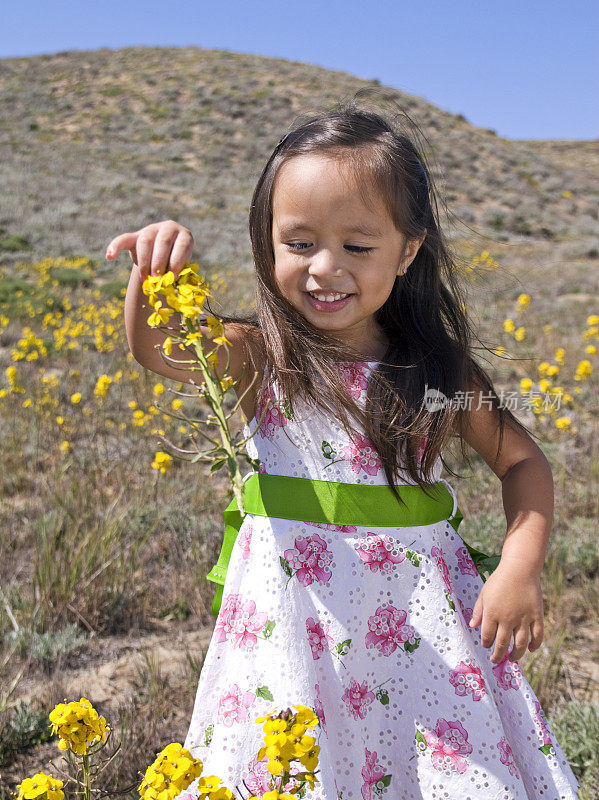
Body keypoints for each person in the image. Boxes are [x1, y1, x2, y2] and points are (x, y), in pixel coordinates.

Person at [106, 96, 580, 799]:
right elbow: (163, 352)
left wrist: (519, 567)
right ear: (266, 240)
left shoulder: (439, 369)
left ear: (407, 249)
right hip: (292, 623)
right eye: (299, 243)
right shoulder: (258, 353)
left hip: (420, 631)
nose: (325, 268)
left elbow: (521, 461)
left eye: (357, 247)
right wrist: (153, 273)